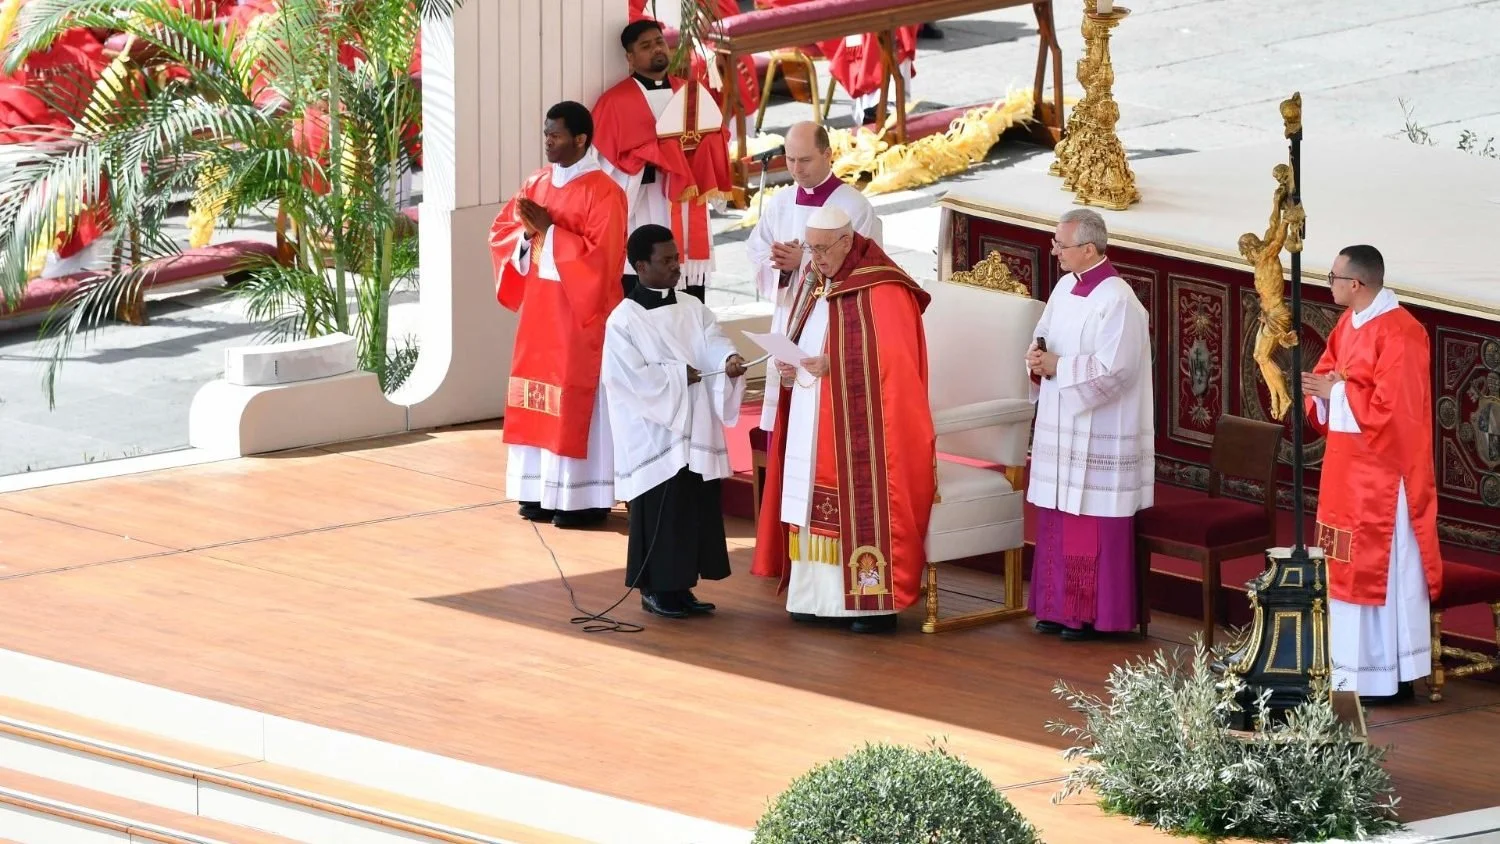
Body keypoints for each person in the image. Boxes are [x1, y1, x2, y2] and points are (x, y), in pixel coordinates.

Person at [750, 205, 935, 634]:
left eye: (821, 249)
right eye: (809, 248)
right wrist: (790, 365)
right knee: (806, 499)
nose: (814, 258)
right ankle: (812, 596)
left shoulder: (883, 286)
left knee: (858, 505)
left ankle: (868, 603)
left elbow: (895, 363)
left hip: (857, 425)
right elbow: (799, 334)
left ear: (848, 241)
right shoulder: (815, 278)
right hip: (810, 415)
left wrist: (835, 364)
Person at [1302, 245, 1441, 704]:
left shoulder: (1402, 333)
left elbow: (1394, 411)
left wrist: (1338, 392)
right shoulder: (1350, 322)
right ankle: (1347, 670)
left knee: (1382, 570)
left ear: (1356, 285)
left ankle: (1387, 675)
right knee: (1341, 567)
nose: (1330, 284)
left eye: (1333, 277)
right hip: (1344, 471)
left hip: (1383, 476)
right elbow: (1329, 369)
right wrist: (1324, 392)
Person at [488, 101, 628, 528]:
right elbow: (503, 233)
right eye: (546, 133)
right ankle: (536, 490)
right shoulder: (536, 181)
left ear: (581, 139)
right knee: (535, 398)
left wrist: (550, 231)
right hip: (539, 316)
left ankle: (580, 498)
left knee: (571, 398)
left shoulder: (605, 191)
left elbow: (602, 262)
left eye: (556, 135)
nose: (548, 141)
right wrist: (529, 238)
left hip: (578, 317)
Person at [603, 224, 748, 619]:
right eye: (666, 260)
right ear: (640, 265)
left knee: (691, 506)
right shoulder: (623, 321)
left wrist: (726, 361)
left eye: (676, 258)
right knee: (662, 509)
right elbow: (626, 379)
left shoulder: (692, 307)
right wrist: (675, 377)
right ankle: (656, 589)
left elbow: (713, 340)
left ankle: (681, 586)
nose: (676, 267)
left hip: (693, 422)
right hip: (654, 431)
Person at [1024, 208, 1154, 642]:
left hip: (1100, 429)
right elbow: (1043, 334)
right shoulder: (1064, 287)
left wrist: (1059, 367)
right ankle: (1056, 608)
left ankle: (1097, 617)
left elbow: (1116, 370)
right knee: (1058, 517)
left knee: (1093, 520)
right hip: (1061, 424)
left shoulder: (1118, 301)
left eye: (1061, 244)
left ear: (1088, 248)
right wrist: (1037, 360)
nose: (1054, 250)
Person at [745, 120, 881, 434]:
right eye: (790, 159)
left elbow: (865, 265)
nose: (796, 168)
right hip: (787, 318)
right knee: (784, 424)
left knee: (818, 423)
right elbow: (756, 248)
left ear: (827, 154)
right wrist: (779, 263)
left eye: (805, 160)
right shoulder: (780, 202)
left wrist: (804, 260)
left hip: (827, 322)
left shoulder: (853, 206)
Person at [592, 18, 733, 301]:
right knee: (646, 307)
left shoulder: (691, 94)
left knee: (691, 301)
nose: (656, 49)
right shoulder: (614, 103)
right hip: (646, 208)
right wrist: (648, 165)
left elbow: (716, 140)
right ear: (630, 57)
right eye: (645, 46)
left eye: (659, 42)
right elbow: (603, 168)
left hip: (687, 213)